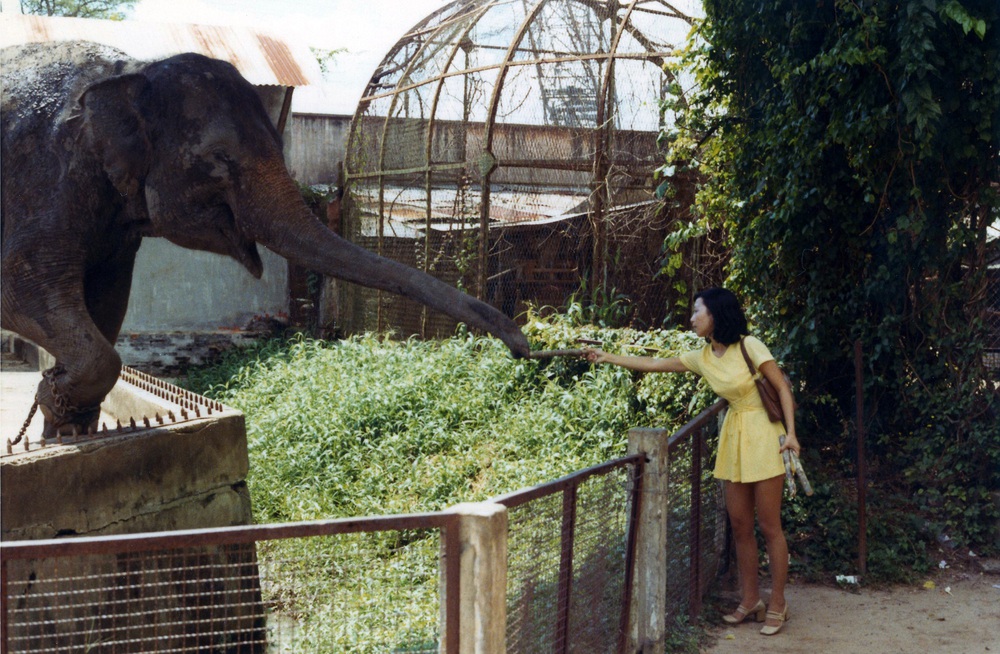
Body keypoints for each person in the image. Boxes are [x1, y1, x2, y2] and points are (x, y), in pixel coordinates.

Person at [583, 287, 800, 636]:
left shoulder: (750, 345)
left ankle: (777, 602)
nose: (692, 318)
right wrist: (607, 357)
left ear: (715, 314)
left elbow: (783, 388)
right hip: (734, 440)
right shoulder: (702, 356)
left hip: (764, 437)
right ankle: (750, 600)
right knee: (741, 525)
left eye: (697, 311)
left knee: (769, 525)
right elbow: (654, 364)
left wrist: (791, 435)